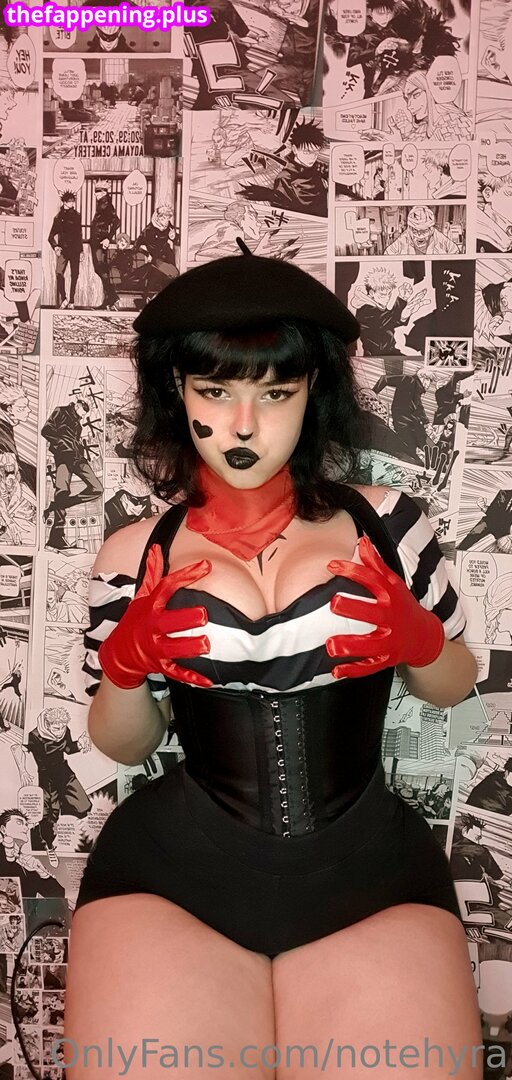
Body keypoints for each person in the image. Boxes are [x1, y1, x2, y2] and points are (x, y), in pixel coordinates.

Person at [52, 245, 482, 1078]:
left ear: (312, 392)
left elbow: (454, 686)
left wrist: (419, 639)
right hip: (173, 878)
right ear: (178, 392)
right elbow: (123, 745)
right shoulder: (134, 553)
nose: (244, 425)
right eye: (216, 391)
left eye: (275, 393)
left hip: (370, 874)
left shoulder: (389, 524)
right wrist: (127, 662)